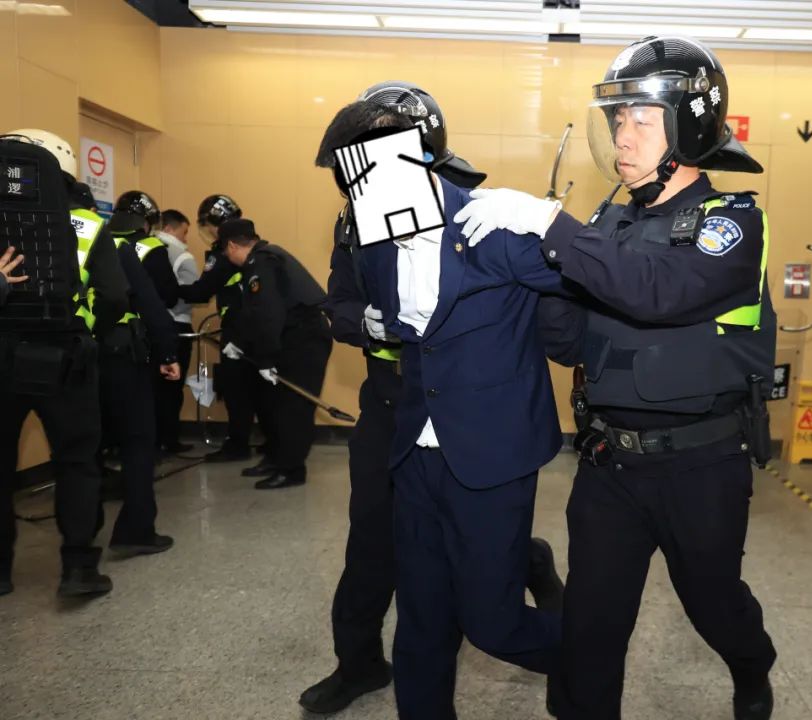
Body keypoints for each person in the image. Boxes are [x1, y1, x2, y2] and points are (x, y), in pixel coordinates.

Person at [454, 35, 778, 720]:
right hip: (610, 463)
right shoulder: (608, 223)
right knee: (592, 627)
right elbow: (570, 343)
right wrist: (540, 271)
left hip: (701, 464)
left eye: (643, 120)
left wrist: (554, 228)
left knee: (714, 604)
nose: (623, 137)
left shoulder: (731, 222)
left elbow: (660, 292)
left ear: (690, 128)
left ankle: (752, 665)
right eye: (618, 120)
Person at [315, 100, 565, 720]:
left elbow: (590, 291)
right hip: (407, 439)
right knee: (421, 619)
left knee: (493, 623)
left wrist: (554, 224)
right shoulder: (368, 235)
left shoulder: (494, 224)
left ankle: (587, 655)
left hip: (491, 447)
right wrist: (368, 322)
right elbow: (348, 304)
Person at [300, 81, 494, 715]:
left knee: (464, 547)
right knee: (371, 543)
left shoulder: (468, 210)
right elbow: (337, 305)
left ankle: (529, 565)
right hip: (387, 408)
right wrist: (371, 322)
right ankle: (358, 663)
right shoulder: (355, 218)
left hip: (455, 414)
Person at [0, 129, 129, 597]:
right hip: (65, 356)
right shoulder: (88, 226)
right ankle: (78, 568)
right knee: (76, 462)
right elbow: (114, 295)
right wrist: (87, 330)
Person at [219, 219, 331, 489]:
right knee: (275, 405)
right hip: (292, 339)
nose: (227, 257)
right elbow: (253, 313)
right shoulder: (262, 260)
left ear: (232, 246)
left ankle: (292, 470)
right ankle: (276, 459)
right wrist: (239, 342)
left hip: (304, 341)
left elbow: (269, 315)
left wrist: (266, 359)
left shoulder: (262, 264)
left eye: (225, 251)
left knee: (293, 408)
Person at [98, 192, 180, 557]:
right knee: (138, 441)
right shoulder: (133, 247)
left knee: (82, 449)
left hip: (68, 356)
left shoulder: (61, 237)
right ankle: (135, 529)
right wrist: (167, 351)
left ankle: (81, 542)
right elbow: (156, 301)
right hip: (123, 355)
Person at [178, 195, 271, 465]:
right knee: (258, 388)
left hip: (237, 329)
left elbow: (202, 291)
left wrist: (164, 290)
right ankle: (271, 441)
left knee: (236, 389)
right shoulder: (255, 249)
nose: (208, 231)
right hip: (254, 326)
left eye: (207, 224)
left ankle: (238, 444)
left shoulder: (224, 253)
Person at [154, 209, 198, 455]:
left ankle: (153, 440)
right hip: (177, 327)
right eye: (184, 232)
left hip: (148, 328)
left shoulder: (140, 248)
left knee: (152, 388)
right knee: (172, 388)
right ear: (169, 229)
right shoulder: (182, 255)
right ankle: (170, 440)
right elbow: (192, 293)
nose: (186, 239)